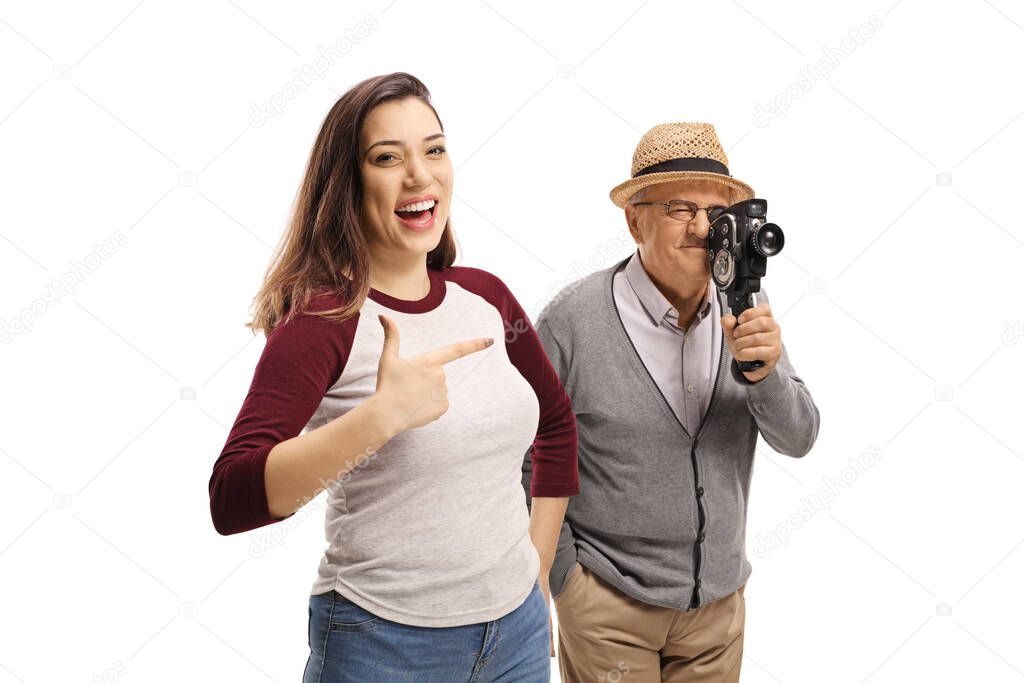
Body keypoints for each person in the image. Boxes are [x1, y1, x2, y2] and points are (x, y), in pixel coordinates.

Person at [208, 72, 578, 682]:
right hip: (383, 646)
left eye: (434, 149)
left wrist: (536, 572)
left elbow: (557, 424)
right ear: (349, 184)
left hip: (516, 634)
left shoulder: (487, 297)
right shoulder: (324, 321)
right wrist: (379, 418)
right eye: (387, 158)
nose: (420, 175)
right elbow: (232, 496)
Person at [524, 122, 820, 682]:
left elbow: (799, 437)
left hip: (717, 609)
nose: (704, 229)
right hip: (610, 604)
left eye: (717, 213)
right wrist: (566, 577)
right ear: (635, 219)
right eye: (682, 208)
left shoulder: (746, 306)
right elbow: (526, 454)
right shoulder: (573, 320)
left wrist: (767, 373)